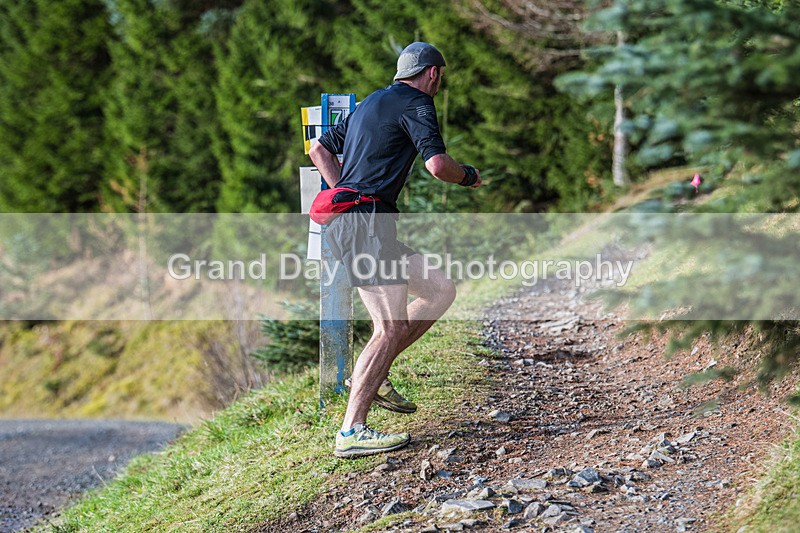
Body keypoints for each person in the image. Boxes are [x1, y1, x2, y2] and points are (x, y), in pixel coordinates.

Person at [309, 41, 482, 458]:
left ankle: (373, 372)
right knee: (389, 328)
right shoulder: (418, 104)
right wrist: (469, 178)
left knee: (440, 290)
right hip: (366, 224)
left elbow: (318, 148)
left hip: (366, 222)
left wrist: (343, 193)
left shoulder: (372, 101)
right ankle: (351, 432)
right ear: (434, 74)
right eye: (440, 78)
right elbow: (438, 166)